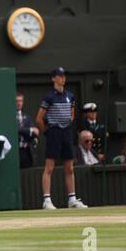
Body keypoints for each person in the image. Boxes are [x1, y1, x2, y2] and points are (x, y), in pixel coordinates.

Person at [36, 67, 88, 210]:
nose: (62, 78)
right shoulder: (49, 97)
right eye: (59, 76)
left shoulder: (70, 96)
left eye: (63, 76)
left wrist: (66, 124)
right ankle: (47, 200)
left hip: (66, 133)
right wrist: (47, 132)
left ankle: (72, 199)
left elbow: (71, 115)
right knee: (49, 167)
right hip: (54, 132)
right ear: (53, 79)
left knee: (70, 168)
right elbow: (39, 119)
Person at [16, 92, 39, 168]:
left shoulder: (27, 117)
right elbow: (15, 130)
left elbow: (35, 133)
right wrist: (30, 130)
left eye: (21, 101)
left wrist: (31, 131)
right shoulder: (9, 116)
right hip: (16, 151)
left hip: (27, 151)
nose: (19, 103)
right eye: (17, 101)